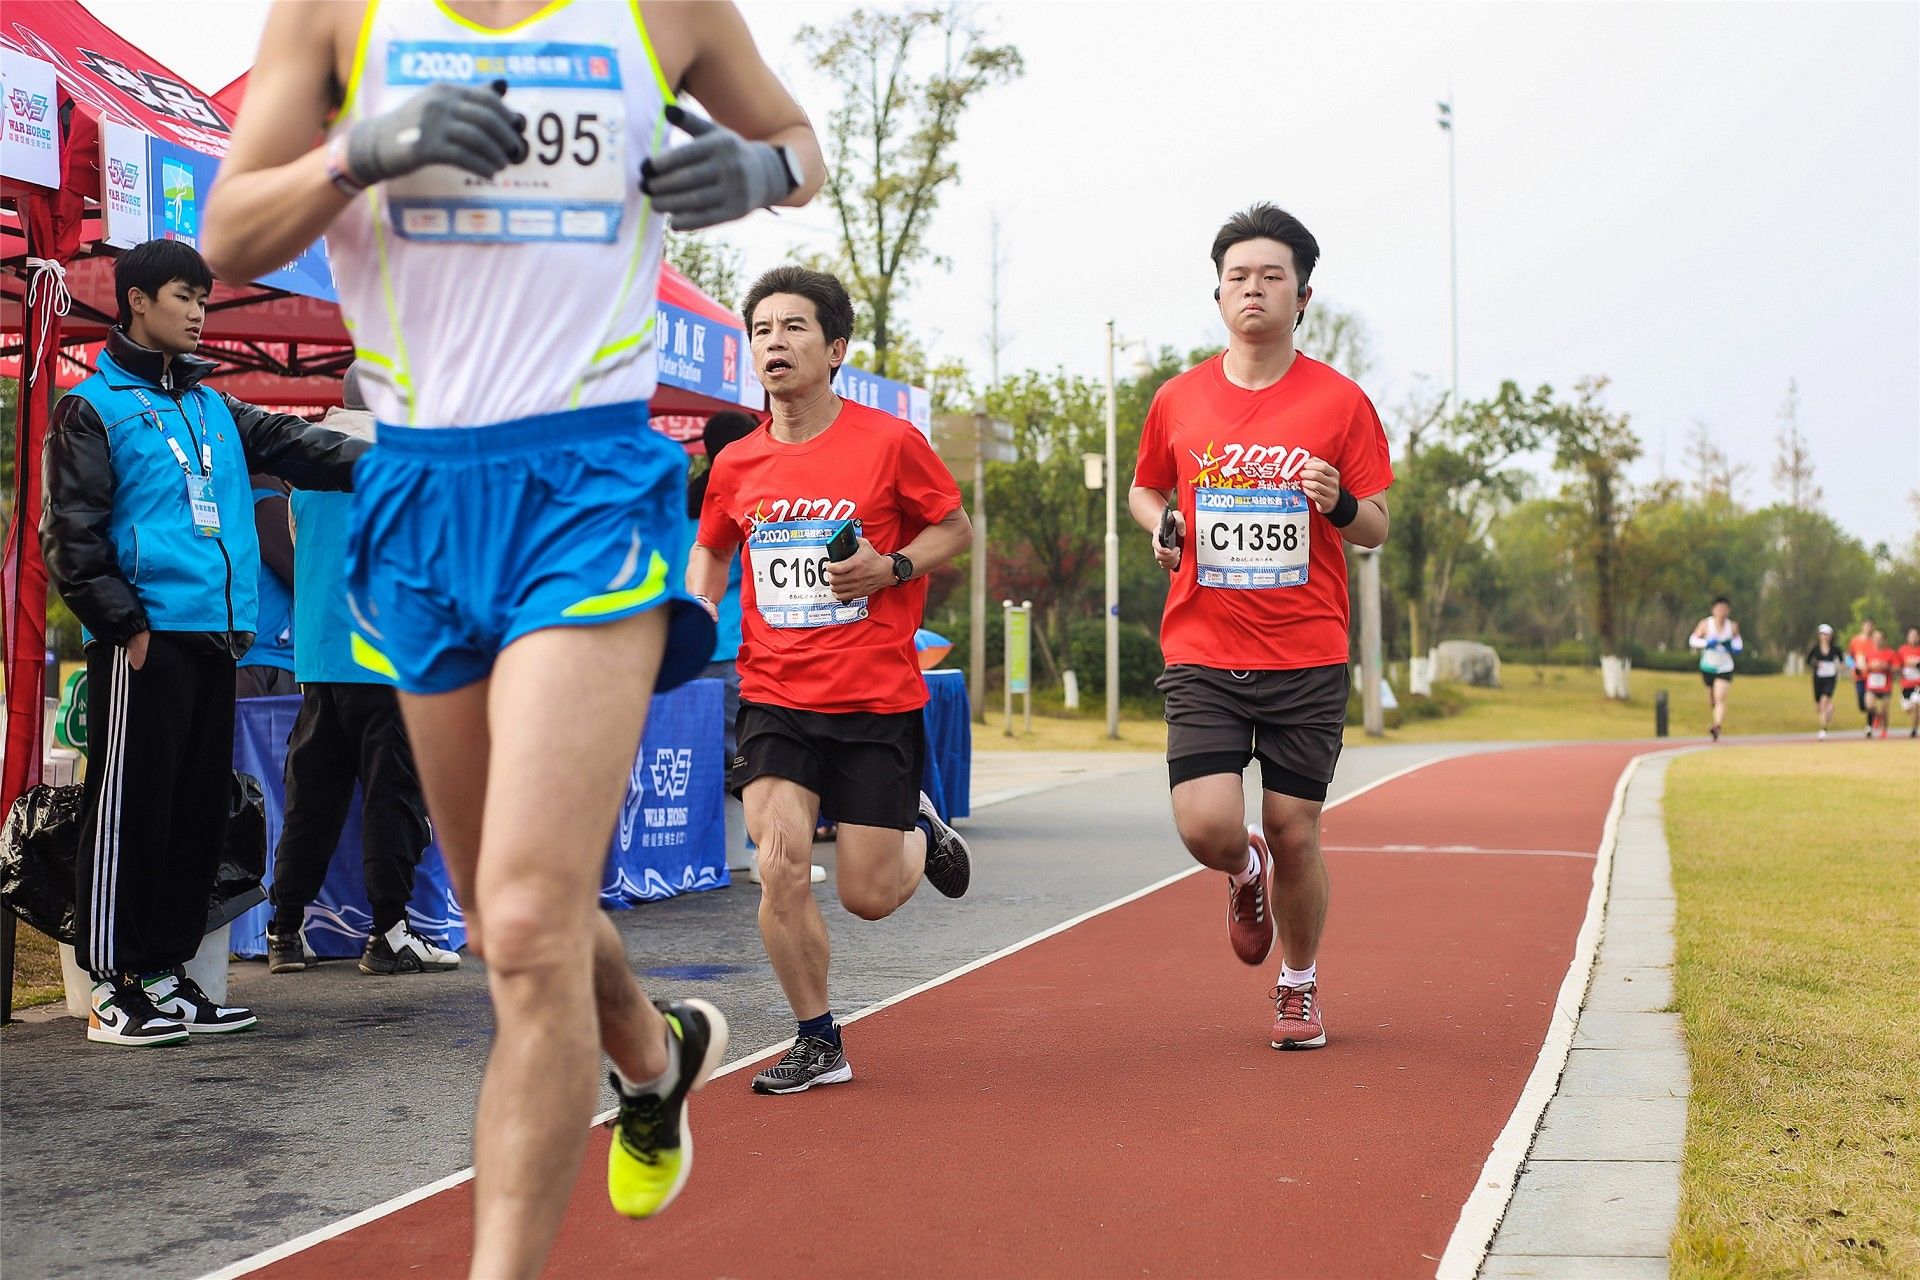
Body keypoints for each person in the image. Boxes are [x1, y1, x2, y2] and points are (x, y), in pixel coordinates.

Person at [204, 2, 824, 1269]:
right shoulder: (337, 15)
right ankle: (652, 1050)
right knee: (505, 919)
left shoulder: (662, 10)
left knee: (532, 923)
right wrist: (361, 150)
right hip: (421, 493)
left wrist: (765, 172)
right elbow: (227, 233)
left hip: (586, 483)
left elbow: (803, 145)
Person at [40, 238, 365, 1047]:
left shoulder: (213, 405)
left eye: (204, 300)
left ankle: (163, 972)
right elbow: (72, 535)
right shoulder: (92, 408)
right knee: (130, 812)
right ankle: (111, 986)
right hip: (145, 640)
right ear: (138, 300)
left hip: (217, 637)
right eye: (184, 297)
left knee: (193, 814)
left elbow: (301, 446)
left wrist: (406, 466)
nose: (197, 313)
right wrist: (125, 625)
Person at [687, 265, 974, 1095]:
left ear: (835, 348)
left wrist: (893, 568)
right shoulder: (738, 463)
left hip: (875, 698)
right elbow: (711, 546)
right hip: (776, 696)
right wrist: (700, 607)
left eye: (794, 327)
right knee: (777, 865)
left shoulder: (889, 443)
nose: (774, 342)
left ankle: (920, 828)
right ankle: (818, 1039)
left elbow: (953, 528)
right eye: (762, 330)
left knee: (870, 896)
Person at [1128, 204, 1392, 1051]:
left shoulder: (1340, 403)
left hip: (1305, 651)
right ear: (1217, 294)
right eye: (1237, 276)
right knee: (1207, 824)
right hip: (1203, 646)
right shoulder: (1178, 399)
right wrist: (1163, 525)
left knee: (1294, 829)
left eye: (1272, 276)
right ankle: (1242, 871)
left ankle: (1299, 984)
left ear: (1302, 296)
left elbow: (1376, 525)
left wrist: (1338, 502)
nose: (1253, 288)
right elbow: (1144, 489)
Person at [267, 365, 456, 977]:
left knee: (311, 801)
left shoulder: (304, 469)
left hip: (320, 659)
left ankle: (284, 929)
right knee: (391, 800)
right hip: (388, 658)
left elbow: (303, 549)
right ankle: (389, 934)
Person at [234, 474, 299, 697]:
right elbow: (310, 576)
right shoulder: (269, 505)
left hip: (254, 658)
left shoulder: (245, 500)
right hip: (267, 661)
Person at [1688, 596, 1742, 742]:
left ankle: (1717, 725)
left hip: (1725, 667)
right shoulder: (1706, 624)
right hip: (1708, 666)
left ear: (1728, 611)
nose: (1722, 612)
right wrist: (1706, 643)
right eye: (1719, 609)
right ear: (1713, 610)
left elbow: (1739, 644)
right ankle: (1716, 718)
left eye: (1724, 609)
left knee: (1720, 698)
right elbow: (1692, 640)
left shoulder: (1732, 626)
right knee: (1712, 700)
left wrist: (1733, 647)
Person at [1807, 623, 1841, 739]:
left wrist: (1838, 666)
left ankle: (1823, 730)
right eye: (1822, 634)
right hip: (1818, 679)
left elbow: (1842, 661)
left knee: (1823, 701)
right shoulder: (1815, 649)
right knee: (1819, 707)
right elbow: (1808, 661)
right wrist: (1815, 663)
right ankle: (1829, 709)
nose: (1825, 637)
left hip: (1830, 679)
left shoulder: (1835, 650)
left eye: (1827, 634)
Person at [1862, 628, 1896, 738]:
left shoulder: (1890, 653)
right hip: (1871, 685)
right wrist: (1870, 666)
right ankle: (1877, 716)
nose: (1877, 641)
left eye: (1880, 638)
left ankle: (1884, 730)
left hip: (1885, 686)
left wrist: (1886, 666)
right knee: (1869, 705)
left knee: (1884, 709)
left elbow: (1897, 668)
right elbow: (1863, 667)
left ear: (1884, 640)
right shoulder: (1868, 652)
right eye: (1875, 638)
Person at [1847, 617, 1875, 727]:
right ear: (1862, 626)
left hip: (1871, 676)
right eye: (1867, 625)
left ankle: (1869, 726)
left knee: (1870, 702)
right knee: (1862, 704)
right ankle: (1874, 714)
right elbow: (1849, 658)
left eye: (1871, 626)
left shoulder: (1875, 641)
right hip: (1859, 676)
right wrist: (1853, 666)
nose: (1868, 628)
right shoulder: (1855, 641)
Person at [1901, 626, 1920, 738]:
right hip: (1906, 685)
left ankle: (1914, 730)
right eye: (1911, 635)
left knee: (1916, 704)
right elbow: (1897, 665)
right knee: (1908, 709)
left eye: (1915, 635)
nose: (1913, 638)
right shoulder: (1902, 650)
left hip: (1918, 685)